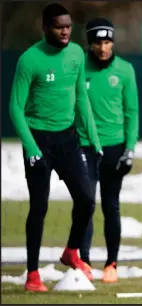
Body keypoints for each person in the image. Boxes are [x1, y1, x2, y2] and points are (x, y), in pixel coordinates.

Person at [9, 3, 102, 292]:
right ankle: (33, 274)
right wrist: (31, 147)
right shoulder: (29, 59)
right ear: (45, 27)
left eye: (68, 26)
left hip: (68, 139)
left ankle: (72, 251)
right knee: (39, 207)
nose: (65, 31)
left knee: (87, 199)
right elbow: (15, 107)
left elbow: (80, 99)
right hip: (38, 141)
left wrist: (94, 138)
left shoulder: (76, 53)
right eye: (59, 26)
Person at [77, 17, 139, 283]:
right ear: (89, 44)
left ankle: (111, 263)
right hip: (84, 146)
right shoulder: (78, 67)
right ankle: (84, 262)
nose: (103, 48)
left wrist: (130, 149)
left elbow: (132, 111)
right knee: (85, 204)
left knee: (111, 206)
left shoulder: (125, 70)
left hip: (115, 147)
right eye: (98, 43)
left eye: (107, 42)